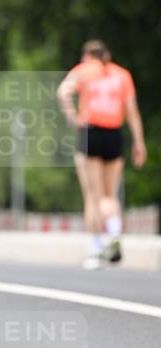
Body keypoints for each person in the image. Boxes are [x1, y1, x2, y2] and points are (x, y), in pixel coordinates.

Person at [57, 40, 146, 269]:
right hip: (114, 134)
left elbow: (63, 92)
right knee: (110, 195)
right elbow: (133, 113)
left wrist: (72, 117)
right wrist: (139, 142)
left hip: (91, 131)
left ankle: (96, 249)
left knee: (93, 196)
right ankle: (114, 231)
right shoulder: (122, 75)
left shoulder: (84, 71)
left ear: (87, 56)